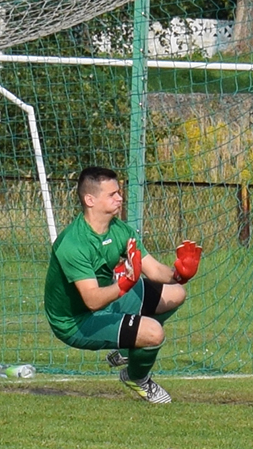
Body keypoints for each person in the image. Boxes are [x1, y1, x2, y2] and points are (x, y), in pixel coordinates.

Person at [44, 166, 202, 404]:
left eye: (119, 192)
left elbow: (155, 270)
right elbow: (92, 300)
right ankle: (137, 378)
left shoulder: (120, 230)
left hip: (109, 298)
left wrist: (180, 273)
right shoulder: (72, 244)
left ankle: (129, 352)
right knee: (153, 333)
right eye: (112, 194)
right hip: (77, 321)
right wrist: (125, 284)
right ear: (90, 199)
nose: (120, 197)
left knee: (176, 293)